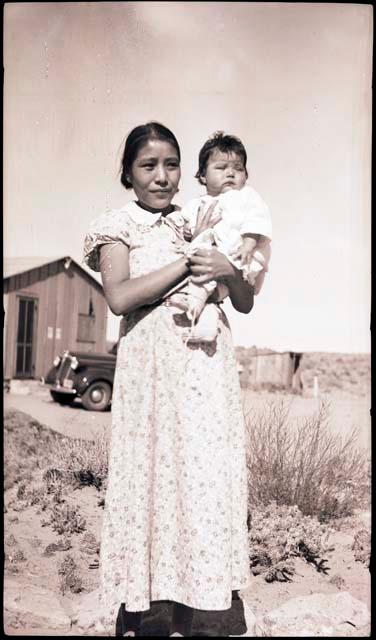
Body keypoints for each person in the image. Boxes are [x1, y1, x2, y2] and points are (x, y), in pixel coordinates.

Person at [83, 122, 253, 636]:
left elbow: (243, 301)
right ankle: (149, 601)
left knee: (200, 478)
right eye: (148, 166)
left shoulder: (199, 219)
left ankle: (199, 597)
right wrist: (188, 263)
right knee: (152, 476)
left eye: (172, 164)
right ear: (127, 174)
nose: (162, 176)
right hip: (151, 376)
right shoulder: (118, 227)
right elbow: (119, 297)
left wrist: (225, 264)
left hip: (205, 371)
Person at [166, 131, 272, 343]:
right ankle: (205, 324)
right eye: (221, 168)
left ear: (246, 175)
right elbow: (183, 223)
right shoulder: (197, 204)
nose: (230, 174)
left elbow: (257, 219)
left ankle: (194, 303)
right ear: (203, 176)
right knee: (210, 294)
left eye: (238, 169)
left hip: (241, 257)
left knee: (206, 287)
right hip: (213, 266)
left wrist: (249, 243)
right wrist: (190, 232)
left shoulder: (246, 197)